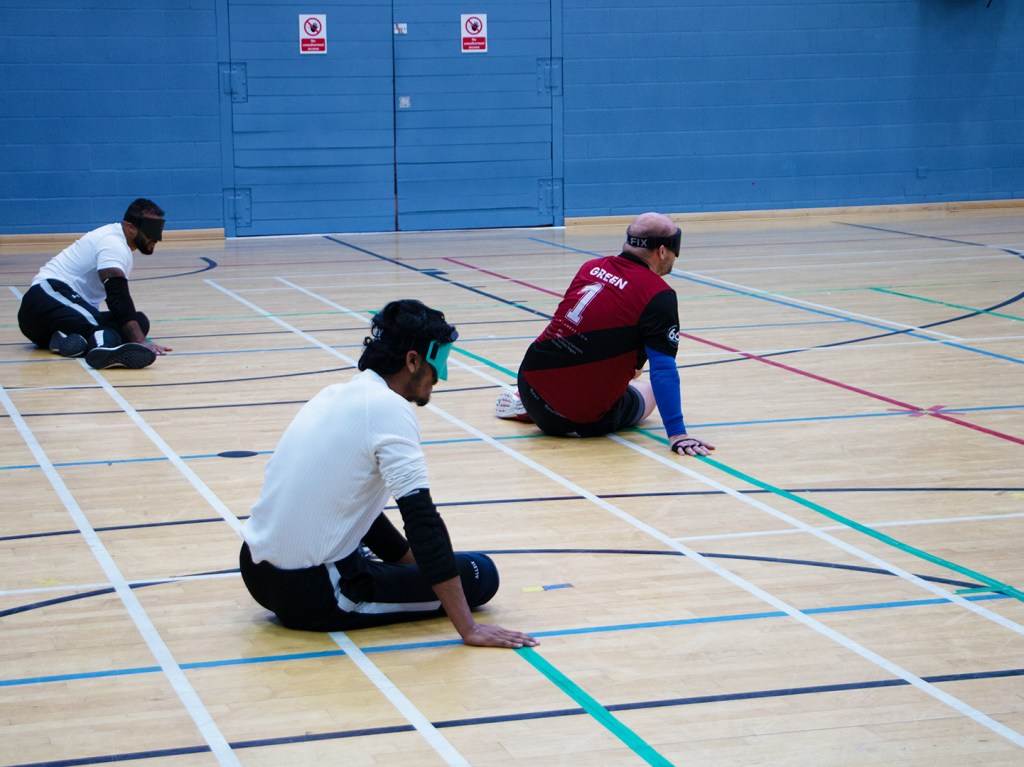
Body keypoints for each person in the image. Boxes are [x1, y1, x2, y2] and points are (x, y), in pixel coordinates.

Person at [240, 299, 538, 649]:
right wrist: (468, 627)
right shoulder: (390, 410)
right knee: (479, 574)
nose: (441, 377)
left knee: (433, 567)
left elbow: (351, 503)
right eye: (438, 363)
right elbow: (422, 520)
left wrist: (410, 567)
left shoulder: (335, 395)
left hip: (257, 571)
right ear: (413, 361)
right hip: (314, 594)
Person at [496, 211, 715, 458]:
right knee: (649, 391)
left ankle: (525, 405)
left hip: (530, 387)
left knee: (628, 366)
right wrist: (678, 434)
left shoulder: (590, 267)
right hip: (574, 419)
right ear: (663, 251)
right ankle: (559, 406)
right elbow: (663, 371)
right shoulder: (658, 295)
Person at [17, 198, 173, 369]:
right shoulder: (112, 243)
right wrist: (140, 341)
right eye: (151, 231)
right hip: (44, 298)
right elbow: (117, 295)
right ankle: (102, 349)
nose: (156, 238)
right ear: (129, 226)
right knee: (109, 329)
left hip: (47, 327)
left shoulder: (120, 244)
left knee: (140, 321)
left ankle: (65, 340)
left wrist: (139, 335)